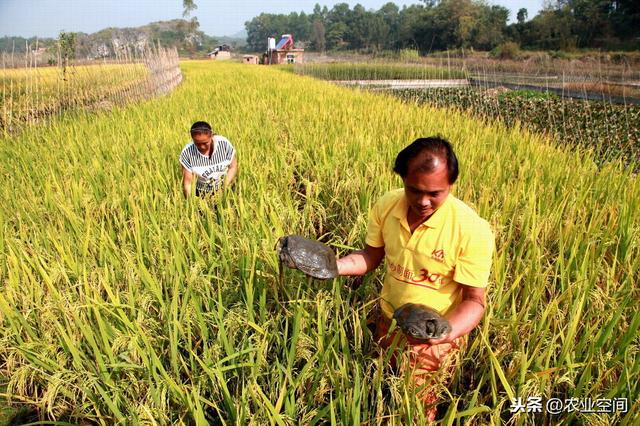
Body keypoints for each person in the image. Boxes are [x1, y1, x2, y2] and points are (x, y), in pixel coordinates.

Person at [336, 136, 494, 422]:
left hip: (434, 338)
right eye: (414, 190)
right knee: (385, 386)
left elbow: (475, 300)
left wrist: (442, 335)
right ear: (403, 179)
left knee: (419, 410)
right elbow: (371, 257)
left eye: (435, 193)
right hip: (388, 320)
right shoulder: (387, 206)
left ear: (451, 185)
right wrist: (334, 266)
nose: (423, 201)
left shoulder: (472, 229)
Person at [179, 121, 238, 198]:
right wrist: (192, 204)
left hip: (225, 188)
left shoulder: (224, 144)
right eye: (197, 144)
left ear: (211, 136)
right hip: (202, 193)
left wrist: (223, 188)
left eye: (205, 143)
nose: (202, 147)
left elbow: (233, 167)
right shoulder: (187, 153)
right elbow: (188, 183)